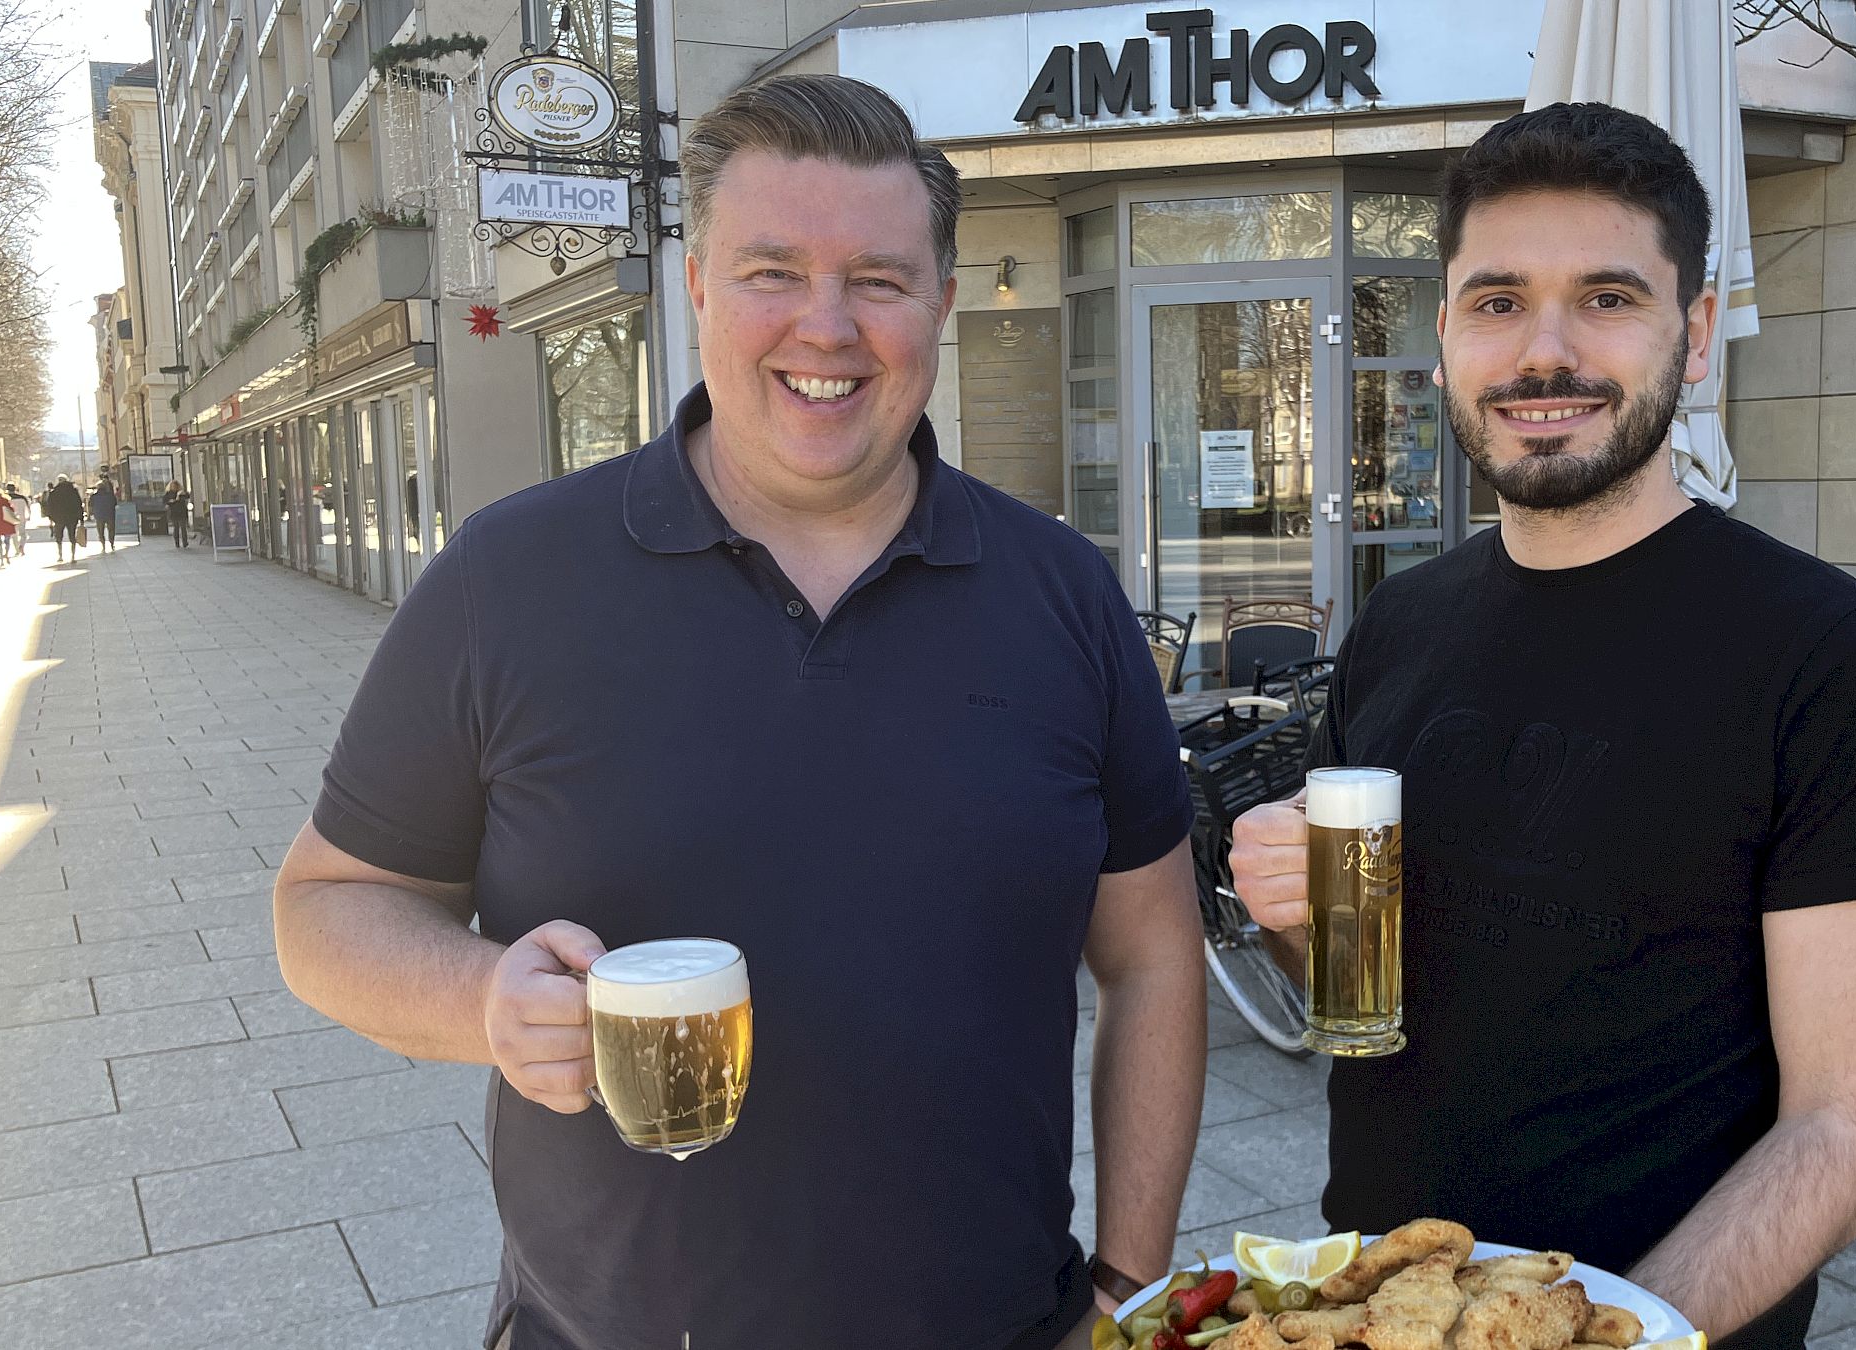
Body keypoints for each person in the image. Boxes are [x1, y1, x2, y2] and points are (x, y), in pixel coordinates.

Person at [271, 74, 1205, 1350]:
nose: (826, 327)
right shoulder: (510, 578)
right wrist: (485, 998)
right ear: (699, 285)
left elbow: (1153, 956)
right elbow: (327, 907)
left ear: (939, 299)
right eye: (773, 270)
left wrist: (1128, 1286)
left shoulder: (1065, 593)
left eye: (878, 278)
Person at [1229, 103, 1856, 1348]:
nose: (1545, 352)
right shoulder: (1399, 625)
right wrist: (1299, 922)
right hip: (1375, 1308)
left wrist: (1602, 1335)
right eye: (1496, 301)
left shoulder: (1834, 658)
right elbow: (1360, 1009)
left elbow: (1854, 1133)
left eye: (1606, 298)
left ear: (1693, 337)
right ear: (1444, 339)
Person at [42, 475, 84, 564]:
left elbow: (50, 506)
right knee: (72, 536)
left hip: (59, 518)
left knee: (59, 537)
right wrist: (81, 518)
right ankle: (73, 556)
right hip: (72, 517)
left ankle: (60, 556)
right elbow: (78, 504)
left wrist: (52, 517)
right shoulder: (73, 491)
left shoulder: (55, 492)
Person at [89, 475, 118, 552]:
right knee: (111, 530)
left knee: (100, 532)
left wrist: (92, 513)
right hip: (110, 515)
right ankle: (112, 544)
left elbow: (90, 506)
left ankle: (103, 546)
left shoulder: (93, 496)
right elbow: (115, 503)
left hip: (99, 516)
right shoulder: (111, 496)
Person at [163, 481, 192, 548]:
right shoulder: (168, 494)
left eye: (175, 486)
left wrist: (184, 493)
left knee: (183, 527)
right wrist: (173, 500)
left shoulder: (181, 493)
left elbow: (187, 496)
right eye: (173, 486)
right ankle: (177, 543)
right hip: (174, 512)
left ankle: (185, 542)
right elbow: (165, 501)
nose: (174, 487)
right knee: (176, 528)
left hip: (182, 512)